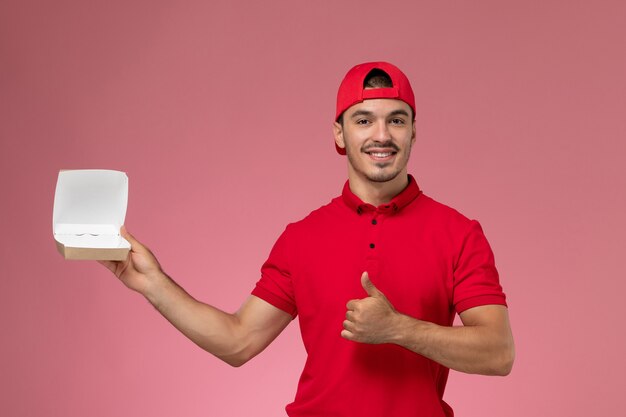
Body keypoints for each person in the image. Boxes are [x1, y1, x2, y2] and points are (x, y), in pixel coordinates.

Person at [100, 61, 515, 417]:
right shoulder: (302, 238)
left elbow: (497, 352)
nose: (382, 135)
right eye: (364, 119)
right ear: (339, 134)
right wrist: (152, 284)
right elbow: (238, 340)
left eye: (397, 119)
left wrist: (398, 329)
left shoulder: (458, 233)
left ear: (413, 132)